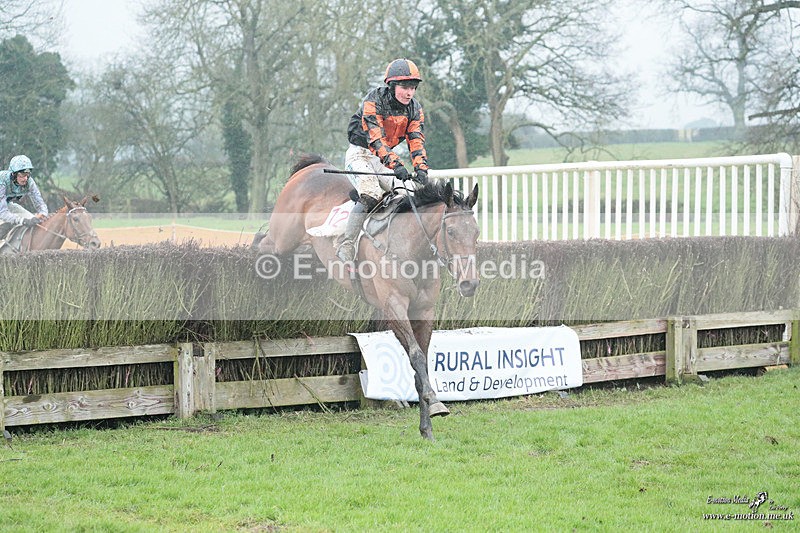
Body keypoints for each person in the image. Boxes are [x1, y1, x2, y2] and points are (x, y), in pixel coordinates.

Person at [337, 58, 430, 263]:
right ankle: (347, 244)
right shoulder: (374, 100)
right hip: (360, 154)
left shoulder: (415, 109)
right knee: (371, 194)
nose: (409, 93)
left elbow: (416, 141)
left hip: (382, 160)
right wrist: (397, 165)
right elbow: (375, 140)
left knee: (409, 192)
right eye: (405, 87)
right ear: (392, 85)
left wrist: (421, 168)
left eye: (413, 88)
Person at [0, 155, 49, 228]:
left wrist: (43, 214)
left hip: (7, 205)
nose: (25, 178)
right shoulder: (2, 180)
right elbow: (3, 213)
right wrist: (21, 220)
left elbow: (40, 204)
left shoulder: (29, 182)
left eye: (27, 174)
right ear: (13, 174)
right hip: (2, 209)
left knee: (33, 221)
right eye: (22, 175)